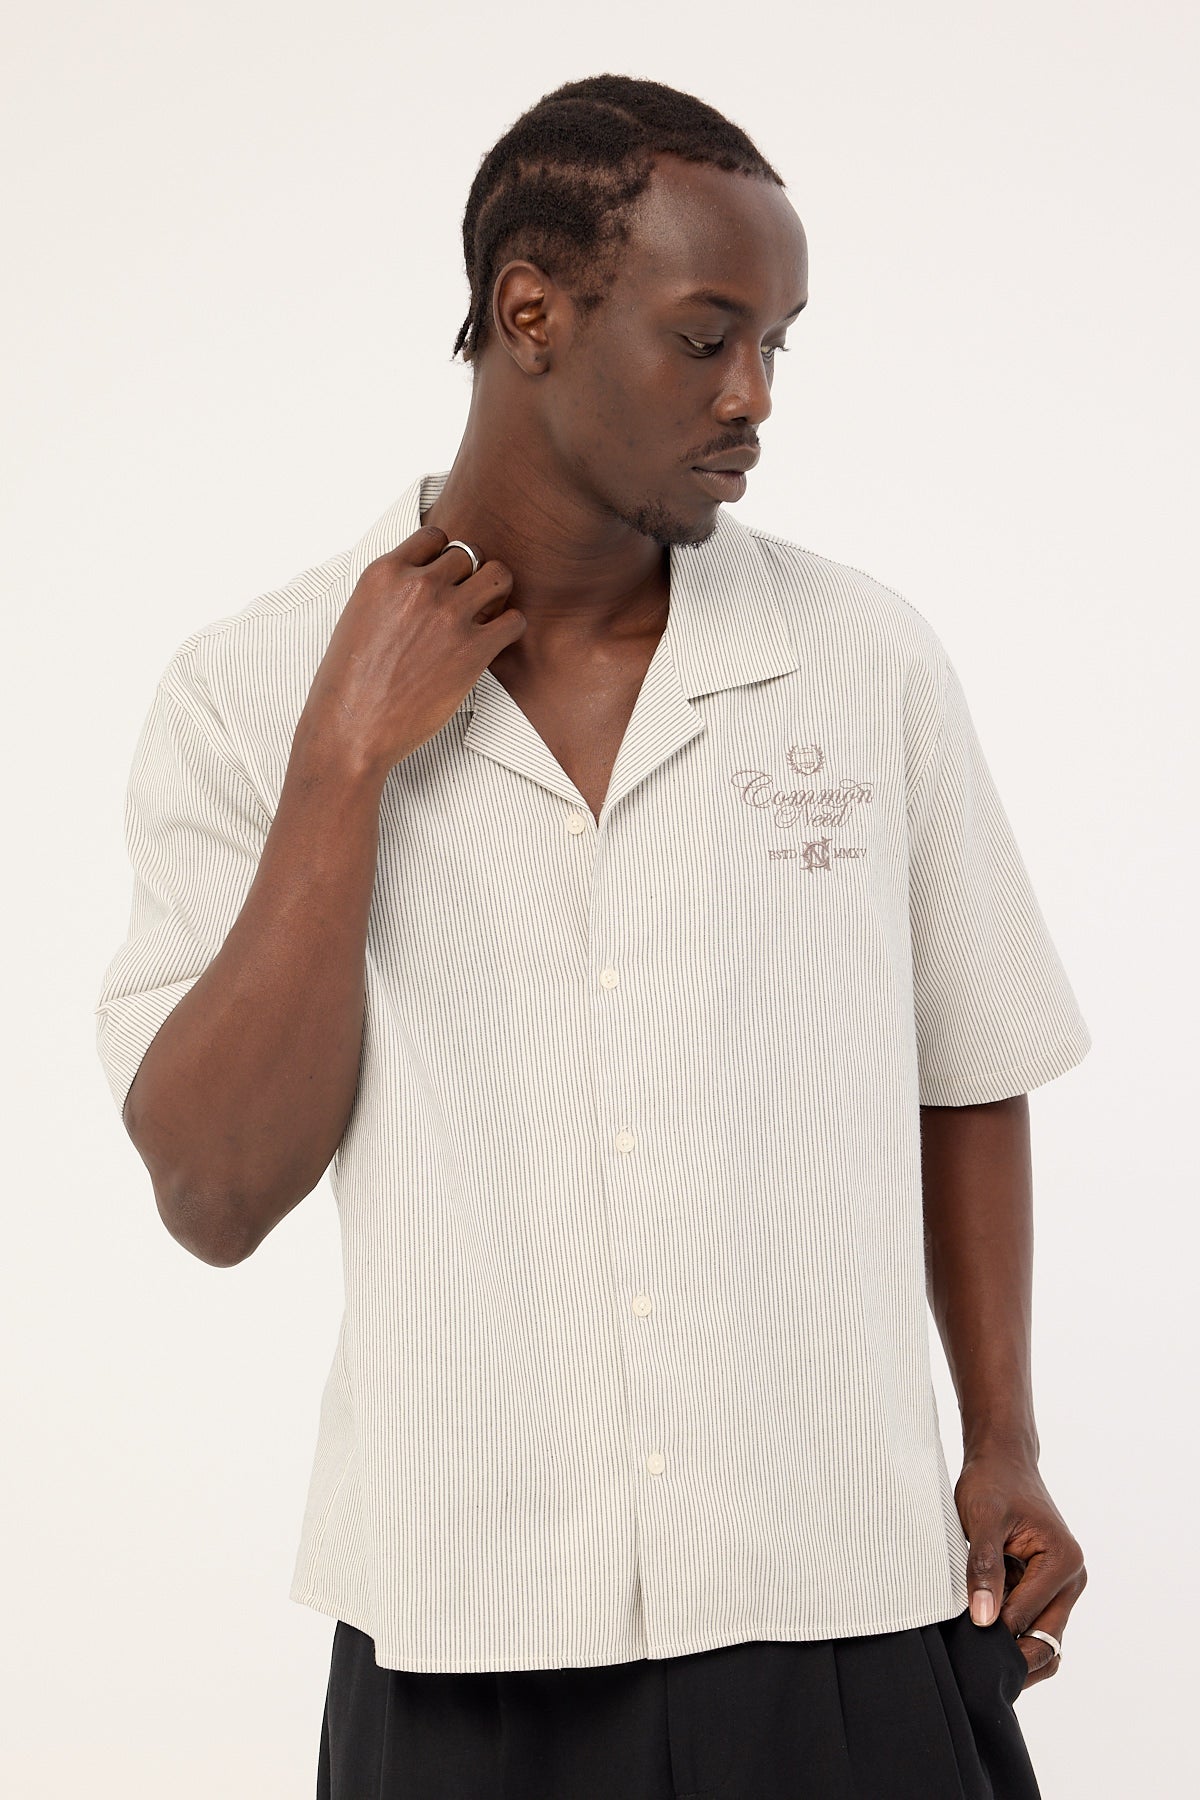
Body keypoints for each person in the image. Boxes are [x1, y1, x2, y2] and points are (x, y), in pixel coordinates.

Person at [95, 73, 1091, 1800]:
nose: (753, 396)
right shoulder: (249, 693)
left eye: (777, 346)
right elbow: (215, 1195)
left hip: (839, 1606)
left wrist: (1002, 1437)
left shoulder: (861, 662)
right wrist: (343, 766)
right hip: (464, 1639)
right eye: (706, 337)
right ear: (530, 311)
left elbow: (967, 1060)